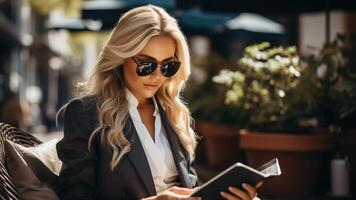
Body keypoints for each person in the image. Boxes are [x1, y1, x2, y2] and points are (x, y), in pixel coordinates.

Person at [55, 5, 262, 200]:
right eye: (146, 65)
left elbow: (189, 189)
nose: (157, 75)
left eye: (168, 66)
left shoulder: (174, 115)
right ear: (121, 57)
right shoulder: (86, 113)